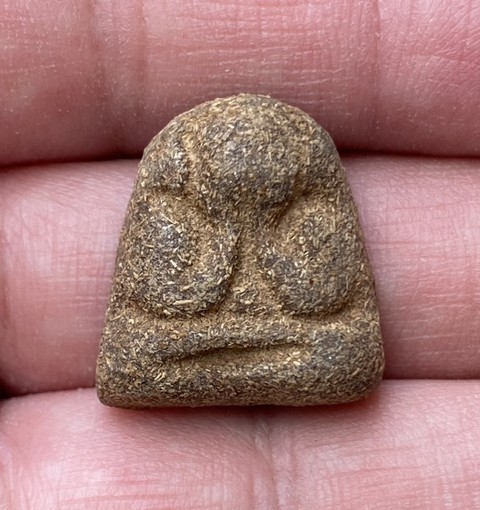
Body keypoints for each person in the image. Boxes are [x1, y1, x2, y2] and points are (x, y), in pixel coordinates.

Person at [1, 1, 479, 508]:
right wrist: (227, 241)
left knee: (344, 359)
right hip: (191, 340)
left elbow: (322, 298)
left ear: (292, 181)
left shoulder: (312, 202)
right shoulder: (171, 198)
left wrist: (267, 240)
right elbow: (169, 300)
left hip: (295, 339)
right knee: (137, 364)